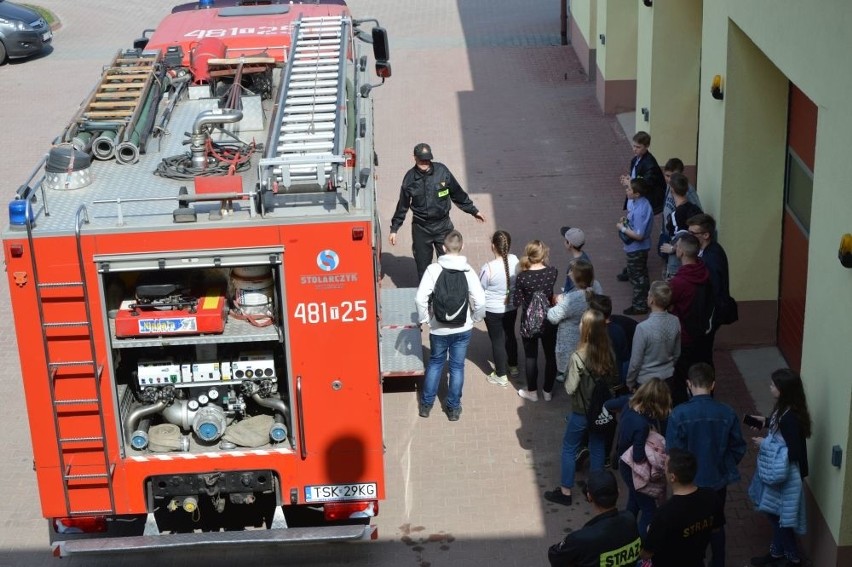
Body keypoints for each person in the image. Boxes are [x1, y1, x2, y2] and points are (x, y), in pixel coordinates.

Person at [666, 363, 747, 567]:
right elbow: (738, 447)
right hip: (716, 481)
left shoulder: (678, 414)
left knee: (688, 526)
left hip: (688, 482)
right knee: (716, 525)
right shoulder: (727, 412)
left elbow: (673, 451)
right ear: (712, 385)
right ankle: (718, 562)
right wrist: (724, 464)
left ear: (688, 384)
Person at [544, 309, 619, 505]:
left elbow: (569, 388)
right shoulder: (609, 352)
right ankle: (595, 488)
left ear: (585, 330)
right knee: (597, 445)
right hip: (601, 410)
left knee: (569, 447)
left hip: (581, 411)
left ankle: (565, 491)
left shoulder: (578, 356)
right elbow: (614, 380)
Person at [414, 230, 485, 421]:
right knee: (457, 367)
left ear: (443, 248)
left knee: (435, 363)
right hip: (463, 327)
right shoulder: (468, 271)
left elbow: (420, 299)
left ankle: (426, 405)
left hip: (438, 327)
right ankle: (453, 408)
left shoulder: (433, 270)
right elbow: (480, 301)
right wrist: (475, 318)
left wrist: (425, 319)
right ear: (462, 247)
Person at [389, 143, 486, 281]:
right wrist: (394, 229)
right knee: (424, 269)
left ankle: (449, 294)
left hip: (443, 226)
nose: (425, 163)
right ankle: (427, 299)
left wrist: (473, 210)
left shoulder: (442, 172)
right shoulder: (409, 179)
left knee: (450, 265)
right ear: (414, 158)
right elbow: (402, 206)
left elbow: (457, 193)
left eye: (427, 160)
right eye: (421, 160)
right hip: (421, 229)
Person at [747, 368, 812, 567]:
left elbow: (795, 452)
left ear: (783, 389)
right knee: (775, 513)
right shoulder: (785, 409)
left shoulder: (789, 417)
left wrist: (765, 443)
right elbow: (782, 433)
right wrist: (765, 422)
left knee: (778, 516)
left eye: (774, 384)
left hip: (786, 476)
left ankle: (792, 557)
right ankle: (777, 552)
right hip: (781, 474)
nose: (770, 386)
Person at [641, 448, 724, 567]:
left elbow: (646, 554)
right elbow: (716, 529)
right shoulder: (711, 497)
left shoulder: (664, 513)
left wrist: (652, 531)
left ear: (673, 477)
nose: (664, 470)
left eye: (665, 466)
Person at [547, 470, 641, 567]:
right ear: (618, 492)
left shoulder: (579, 538)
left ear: (589, 497)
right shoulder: (630, 519)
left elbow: (555, 556)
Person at [615, 378, 671, 538]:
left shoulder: (628, 405)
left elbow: (609, 405)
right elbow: (639, 457)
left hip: (625, 465)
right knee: (649, 511)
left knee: (634, 502)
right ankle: (640, 550)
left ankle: (623, 535)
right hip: (633, 470)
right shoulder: (642, 425)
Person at [512, 240, 558, 402]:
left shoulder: (522, 277)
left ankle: (532, 392)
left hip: (528, 322)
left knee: (531, 357)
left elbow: (516, 301)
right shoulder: (552, 272)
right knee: (550, 356)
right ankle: (547, 390)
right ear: (544, 254)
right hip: (549, 319)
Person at [669, 233, 712, 405]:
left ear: (681, 252)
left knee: (680, 378)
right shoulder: (704, 271)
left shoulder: (679, 282)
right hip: (701, 332)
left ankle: (683, 407)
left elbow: (667, 303)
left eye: (677, 245)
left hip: (684, 336)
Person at [617, 131, 666, 283]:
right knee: (633, 225)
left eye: (638, 147)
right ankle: (632, 266)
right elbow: (637, 178)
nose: (634, 149)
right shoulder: (636, 160)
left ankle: (636, 266)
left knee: (638, 231)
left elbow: (645, 184)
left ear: (646, 147)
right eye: (634, 146)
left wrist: (630, 183)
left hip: (640, 201)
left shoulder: (650, 164)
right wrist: (629, 180)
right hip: (635, 201)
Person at [687, 213, 735, 366]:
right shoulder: (707, 251)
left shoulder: (711, 259)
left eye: (692, 233)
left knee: (703, 356)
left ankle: (705, 385)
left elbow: (712, 291)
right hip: (707, 315)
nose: (689, 236)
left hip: (708, 317)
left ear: (706, 235)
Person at [546, 259, 602, 386]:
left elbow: (553, 316)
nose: (569, 273)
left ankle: (570, 380)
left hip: (570, 337)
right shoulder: (595, 288)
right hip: (588, 333)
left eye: (571, 271)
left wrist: (558, 303)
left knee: (572, 366)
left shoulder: (573, 298)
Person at [479, 230, 520, 387]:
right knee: (510, 333)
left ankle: (501, 374)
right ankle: (514, 365)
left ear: (492, 247)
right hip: (511, 307)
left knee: (497, 340)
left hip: (492, 310)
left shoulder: (488, 268)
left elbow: (480, 288)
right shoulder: (515, 261)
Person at [625, 281, 680, 393]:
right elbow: (677, 353)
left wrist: (630, 382)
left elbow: (635, 362)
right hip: (668, 378)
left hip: (646, 382)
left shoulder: (642, 328)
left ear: (652, 300)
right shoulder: (675, 321)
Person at [616, 178, 653, 315]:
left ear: (637, 194)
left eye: (629, 189)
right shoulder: (640, 203)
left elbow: (639, 235)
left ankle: (639, 305)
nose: (627, 190)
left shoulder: (640, 210)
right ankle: (647, 298)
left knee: (637, 277)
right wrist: (626, 221)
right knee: (641, 274)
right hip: (637, 248)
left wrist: (622, 228)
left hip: (637, 248)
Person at [658, 172, 703, 280]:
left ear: (672, 189)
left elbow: (682, 236)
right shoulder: (695, 209)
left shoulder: (676, 214)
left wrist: (673, 248)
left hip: (678, 262)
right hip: (695, 259)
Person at [559, 226, 590, 293]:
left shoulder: (573, 266)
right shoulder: (585, 257)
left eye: (565, 240)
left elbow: (573, 286)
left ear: (569, 244)